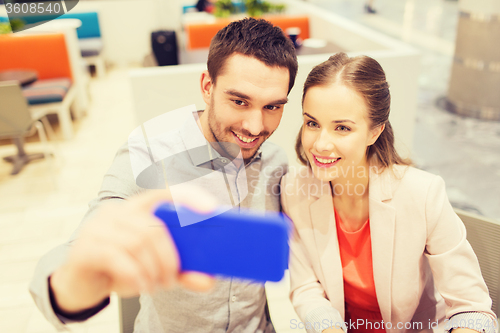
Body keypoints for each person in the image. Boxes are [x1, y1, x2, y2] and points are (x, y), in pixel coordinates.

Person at [30, 17, 297, 333]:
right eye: (239, 101)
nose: (255, 127)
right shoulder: (149, 156)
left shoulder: (276, 162)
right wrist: (75, 281)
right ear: (207, 87)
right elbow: (79, 245)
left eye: (272, 107)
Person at [281, 52, 497, 333]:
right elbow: (306, 289)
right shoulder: (294, 190)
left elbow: (474, 310)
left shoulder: (423, 194)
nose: (321, 144)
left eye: (342, 128)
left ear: (374, 132)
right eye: (312, 123)